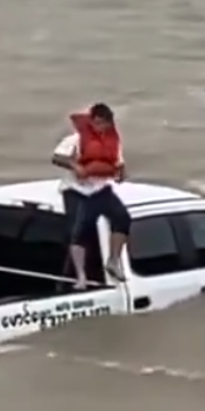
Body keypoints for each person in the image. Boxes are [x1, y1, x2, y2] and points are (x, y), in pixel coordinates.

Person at [50, 103, 130, 288]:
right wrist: (75, 166)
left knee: (123, 218)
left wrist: (121, 174)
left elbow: (119, 164)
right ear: (92, 121)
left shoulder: (113, 142)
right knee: (78, 232)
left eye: (105, 124)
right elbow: (57, 157)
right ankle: (81, 277)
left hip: (100, 190)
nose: (101, 127)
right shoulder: (76, 139)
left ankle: (113, 261)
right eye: (98, 123)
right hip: (76, 191)